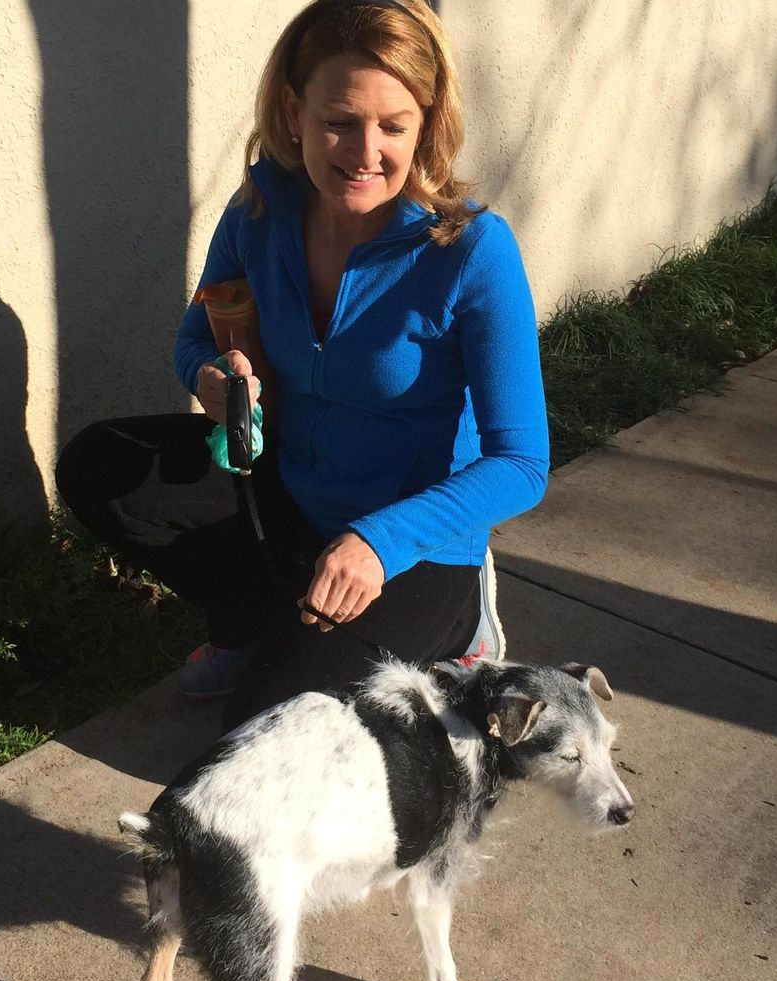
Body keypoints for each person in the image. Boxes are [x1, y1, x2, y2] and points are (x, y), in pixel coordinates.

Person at [55, 0, 549, 731]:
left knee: (262, 730)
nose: (365, 152)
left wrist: (379, 542)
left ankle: (459, 627)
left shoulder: (472, 251)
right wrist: (210, 379)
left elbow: (522, 464)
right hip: (286, 494)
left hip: (411, 549)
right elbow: (192, 340)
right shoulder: (260, 211)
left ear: (426, 122)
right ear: (294, 112)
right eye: (339, 121)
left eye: (394, 126)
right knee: (100, 464)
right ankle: (255, 617)